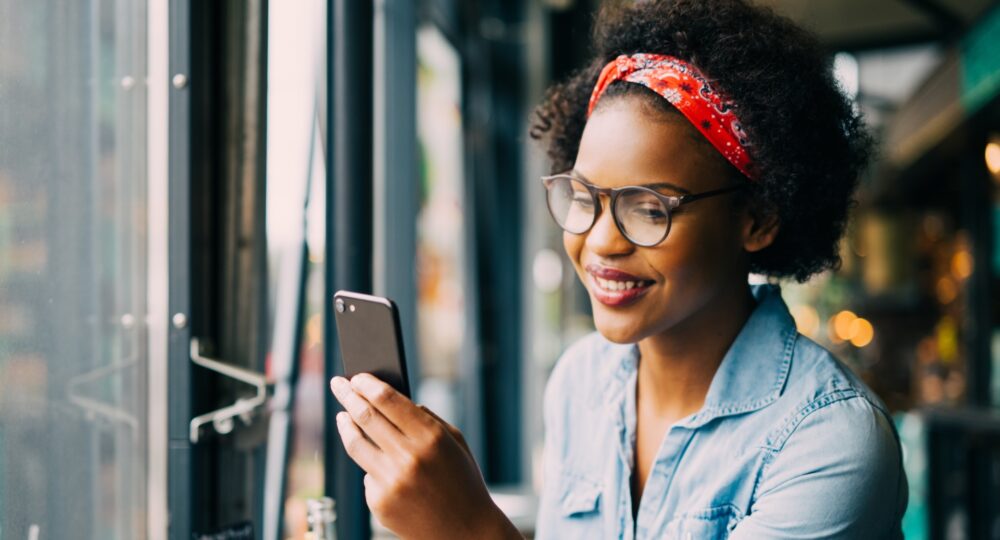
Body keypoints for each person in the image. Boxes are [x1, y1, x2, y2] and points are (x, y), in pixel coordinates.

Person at [329, 0, 908, 538]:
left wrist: (471, 526)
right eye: (582, 197)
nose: (600, 241)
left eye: (648, 208)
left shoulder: (831, 443)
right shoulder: (579, 383)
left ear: (756, 219)